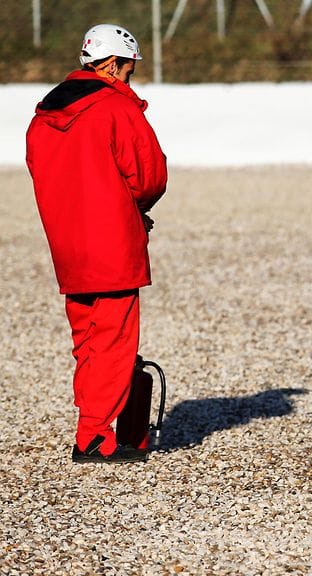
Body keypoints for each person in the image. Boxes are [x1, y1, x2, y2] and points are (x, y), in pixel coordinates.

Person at [25, 24, 167, 463]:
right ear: (112, 64)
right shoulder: (116, 109)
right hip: (112, 245)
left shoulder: (43, 117)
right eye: (128, 67)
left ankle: (94, 422)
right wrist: (132, 207)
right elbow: (149, 177)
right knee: (113, 340)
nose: (130, 77)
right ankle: (93, 437)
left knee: (87, 339)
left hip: (67, 245)